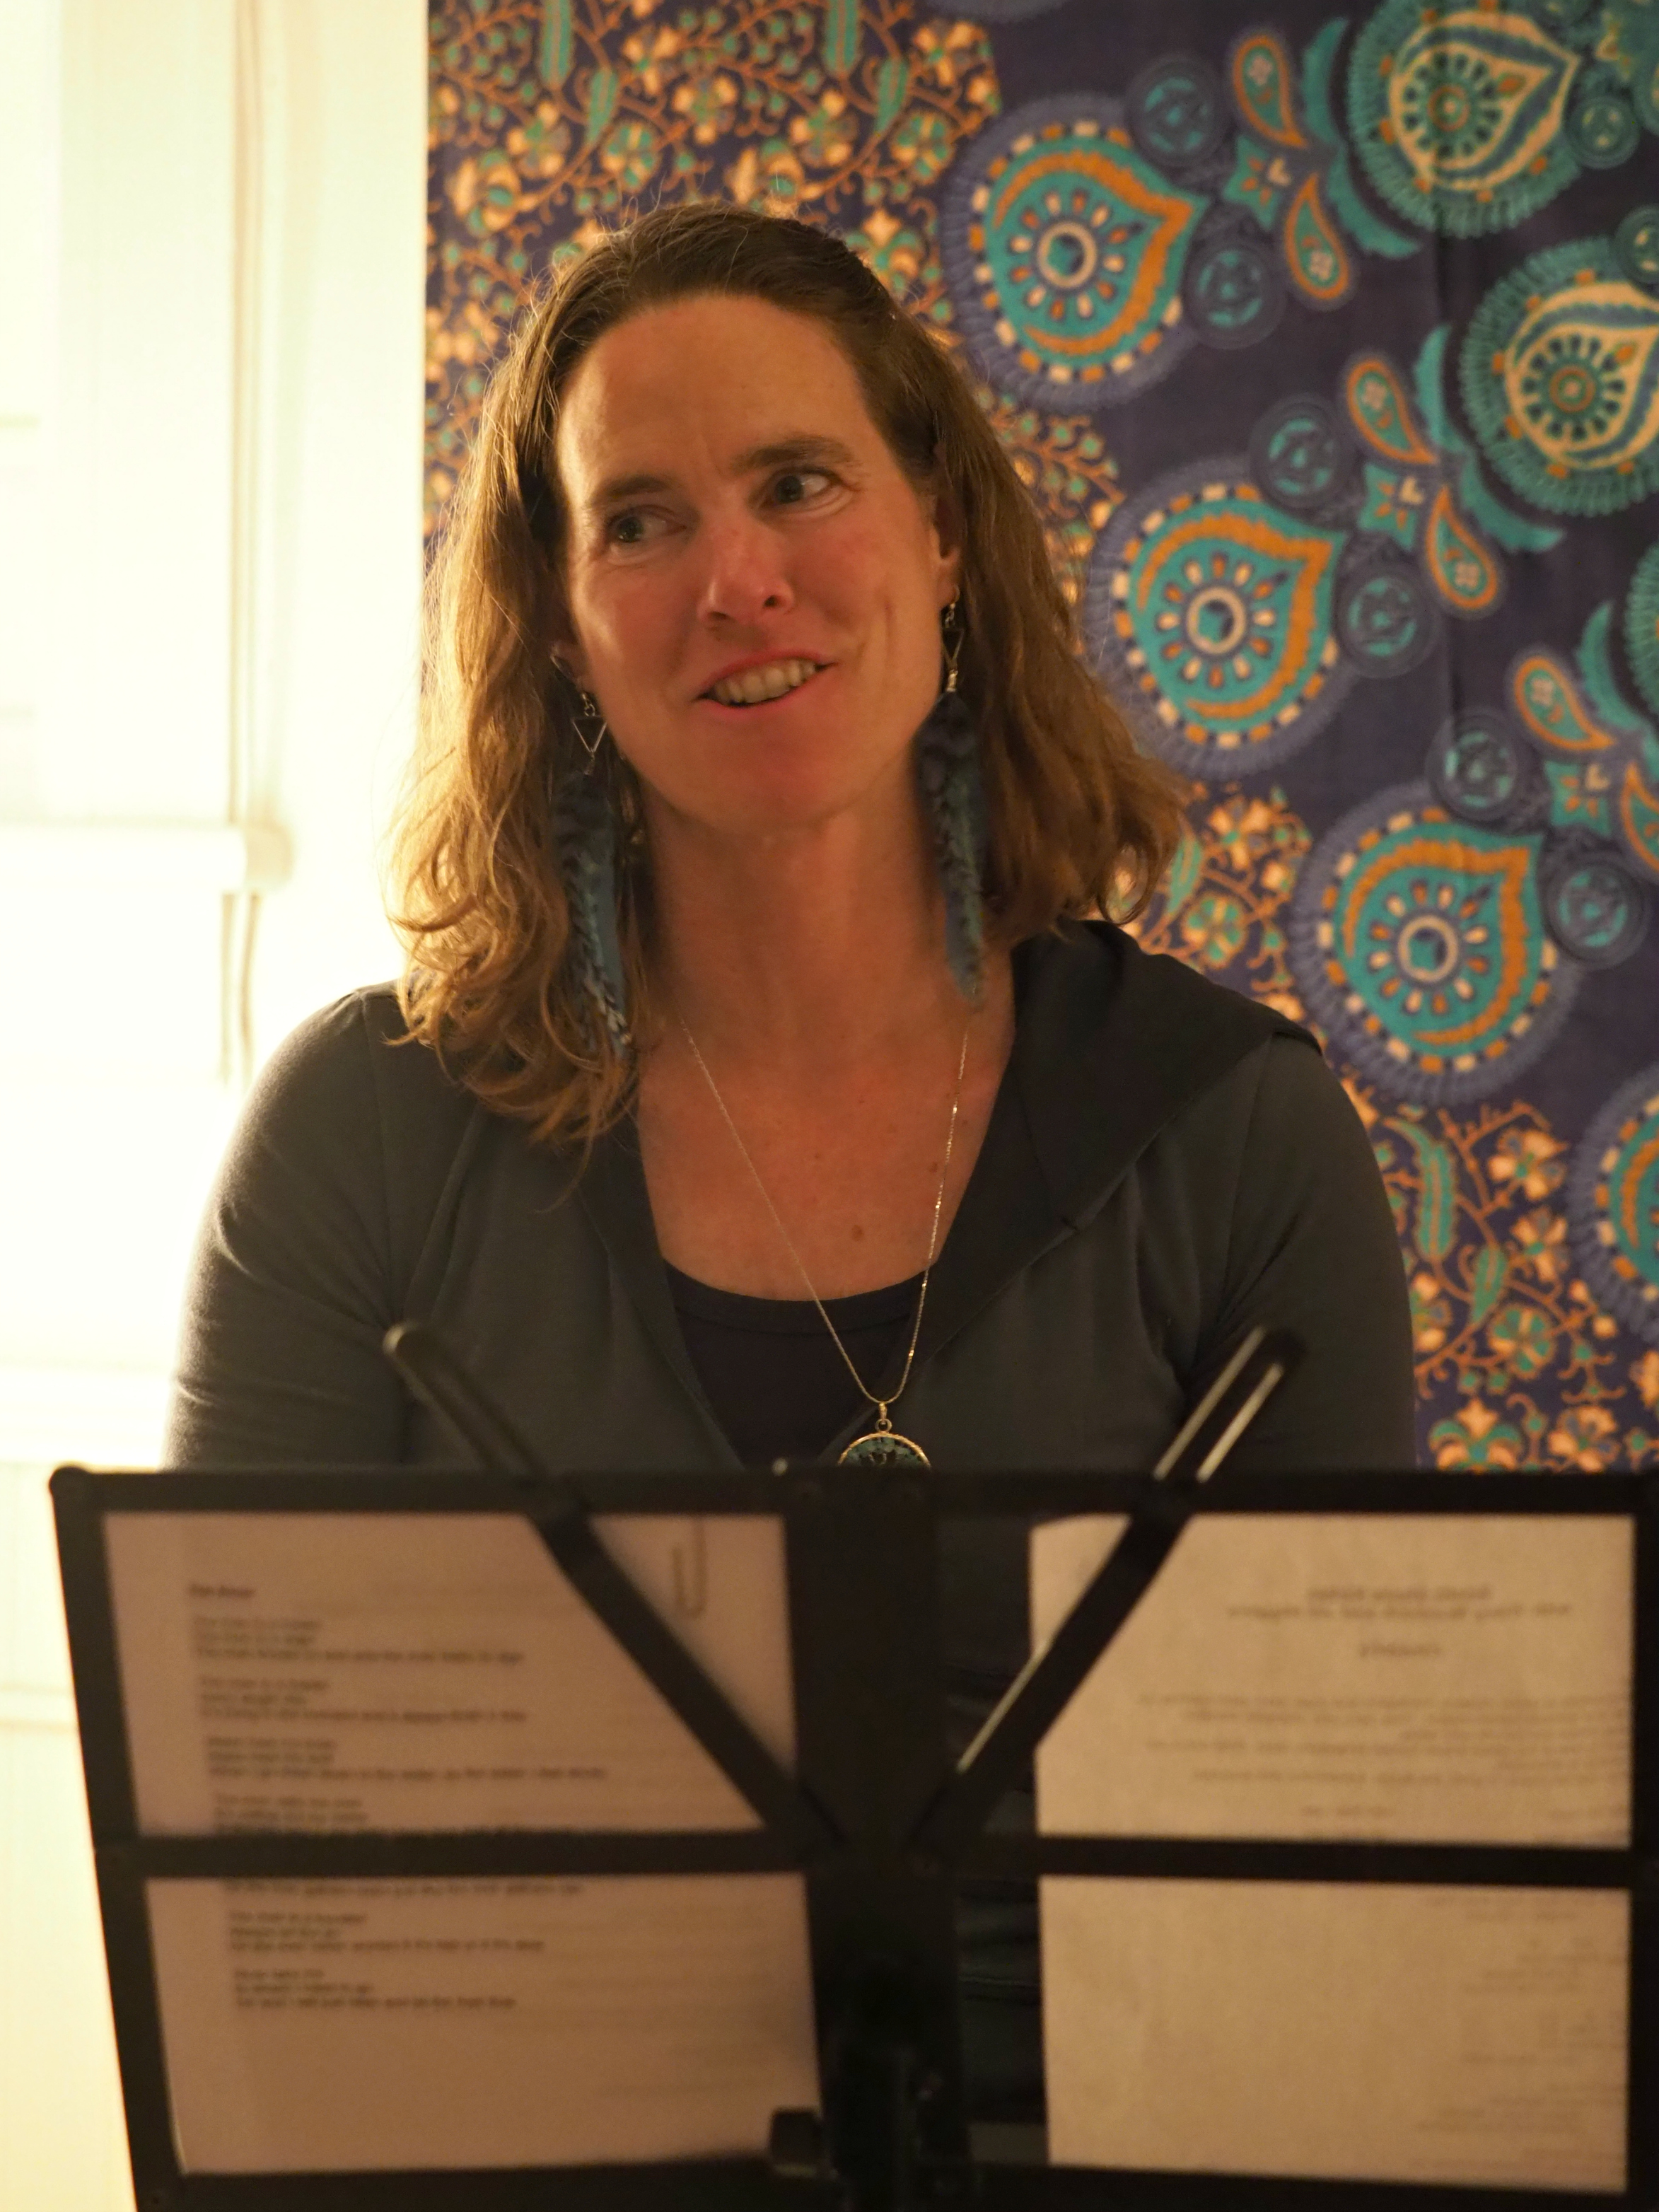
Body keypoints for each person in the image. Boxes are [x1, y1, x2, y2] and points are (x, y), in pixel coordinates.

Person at [163, 202, 1415, 2119]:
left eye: (797, 484)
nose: (736, 581)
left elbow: (1356, 1895)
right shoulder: (358, 1137)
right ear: (561, 626)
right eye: (639, 522)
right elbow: (248, 1889)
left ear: (940, 533)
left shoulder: (1240, 1138)